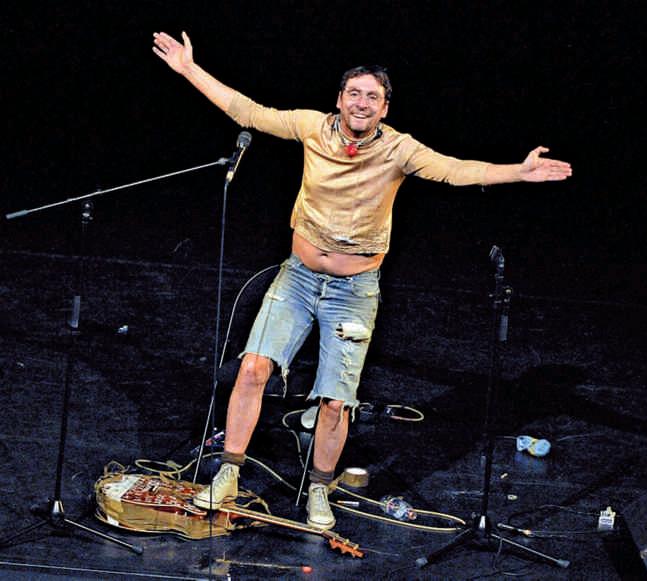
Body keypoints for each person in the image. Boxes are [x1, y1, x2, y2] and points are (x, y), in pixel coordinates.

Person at [152, 30, 572, 531]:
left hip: (353, 292)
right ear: (339, 99)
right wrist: (189, 69)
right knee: (253, 368)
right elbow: (249, 112)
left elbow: (455, 170)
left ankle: (319, 487)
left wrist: (518, 173)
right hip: (298, 278)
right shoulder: (313, 127)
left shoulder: (398, 149)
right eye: (354, 93)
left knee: (335, 401)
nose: (362, 103)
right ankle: (229, 472)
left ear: (384, 108)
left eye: (373, 97)